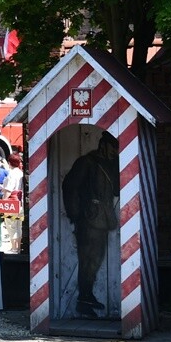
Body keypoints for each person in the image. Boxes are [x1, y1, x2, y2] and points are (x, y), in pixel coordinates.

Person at [62, 134, 120, 317]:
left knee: (96, 258)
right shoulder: (86, 162)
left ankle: (86, 296)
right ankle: (84, 297)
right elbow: (70, 186)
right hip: (88, 218)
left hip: (102, 219)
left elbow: (117, 188)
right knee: (88, 259)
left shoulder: (110, 163)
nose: (114, 152)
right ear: (104, 145)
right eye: (112, 148)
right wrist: (76, 214)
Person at [2, 154, 25, 252]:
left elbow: (8, 190)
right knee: (19, 225)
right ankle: (19, 247)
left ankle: (14, 247)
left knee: (11, 225)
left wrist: (3, 202)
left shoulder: (11, 174)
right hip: (21, 202)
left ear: (9, 162)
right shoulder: (21, 173)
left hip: (12, 202)